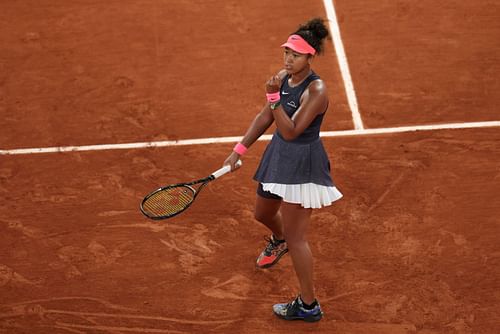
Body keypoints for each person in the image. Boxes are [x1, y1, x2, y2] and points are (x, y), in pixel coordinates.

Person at [223, 17, 343, 322]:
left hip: (303, 164)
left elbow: (290, 131)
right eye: (286, 52)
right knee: (262, 214)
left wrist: (274, 98)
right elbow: (265, 116)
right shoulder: (283, 77)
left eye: (296, 54)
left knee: (297, 237)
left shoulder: (316, 91)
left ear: (310, 57)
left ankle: (308, 305)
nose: (288, 59)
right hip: (279, 156)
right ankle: (279, 241)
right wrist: (239, 150)